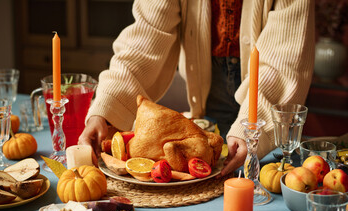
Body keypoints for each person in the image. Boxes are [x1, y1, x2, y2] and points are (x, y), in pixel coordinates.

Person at [78, 0, 315, 177]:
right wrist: (104, 110)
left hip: (268, 107)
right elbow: (144, 38)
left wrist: (252, 129)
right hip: (208, 104)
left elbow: (283, 60)